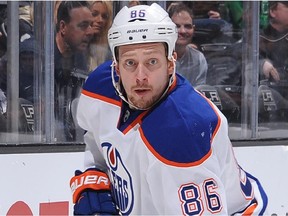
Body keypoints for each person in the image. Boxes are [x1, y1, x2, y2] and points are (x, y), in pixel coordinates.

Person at [70, 3, 268, 215]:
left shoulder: (182, 131)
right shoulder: (100, 88)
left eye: (152, 61)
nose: (140, 77)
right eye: (130, 63)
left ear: (171, 63)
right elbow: (95, 139)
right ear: (116, 67)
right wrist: (95, 182)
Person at [54, 1, 93, 141]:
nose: (90, 32)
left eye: (91, 25)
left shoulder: (80, 56)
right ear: (63, 27)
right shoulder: (40, 57)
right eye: (83, 26)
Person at [167, 2, 207, 86]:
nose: (182, 31)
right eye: (177, 26)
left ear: (194, 29)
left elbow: (199, 92)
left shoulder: (199, 59)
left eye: (187, 26)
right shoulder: (160, 58)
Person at [259, 1, 288, 83]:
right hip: (271, 89)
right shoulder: (260, 37)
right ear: (272, 11)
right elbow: (239, 51)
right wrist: (261, 63)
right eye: (287, 6)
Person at [87, 1, 113, 72]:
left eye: (104, 16)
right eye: (94, 14)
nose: (100, 20)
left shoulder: (109, 52)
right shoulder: (75, 47)